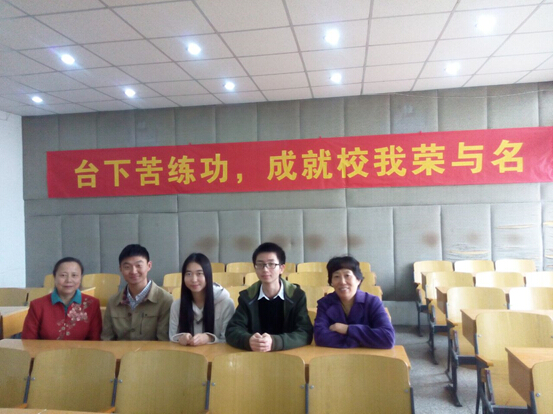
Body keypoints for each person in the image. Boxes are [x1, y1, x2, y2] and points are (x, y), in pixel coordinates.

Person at [225, 242, 313, 351]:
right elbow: (232, 330)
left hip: (289, 354)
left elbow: (305, 333)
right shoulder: (247, 297)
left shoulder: (296, 296)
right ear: (255, 268)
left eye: (271, 264)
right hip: (255, 355)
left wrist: (275, 342)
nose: (265, 269)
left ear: (281, 268)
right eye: (260, 264)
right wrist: (248, 340)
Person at [313, 255, 395, 348]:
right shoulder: (325, 303)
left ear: (358, 279)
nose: (342, 282)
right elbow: (320, 337)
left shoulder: (372, 302)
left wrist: (347, 329)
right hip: (334, 356)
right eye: (336, 276)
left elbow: (387, 338)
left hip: (366, 356)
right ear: (331, 282)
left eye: (347, 276)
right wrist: (361, 340)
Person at [101, 244, 173, 341]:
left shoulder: (165, 300)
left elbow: (164, 340)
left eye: (138, 265)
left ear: (149, 266)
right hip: (120, 351)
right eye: (127, 267)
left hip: (153, 351)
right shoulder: (113, 302)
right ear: (120, 269)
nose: (133, 271)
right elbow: (106, 339)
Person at [22, 257, 101, 340]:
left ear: (80, 278)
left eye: (74, 275)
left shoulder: (92, 304)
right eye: (63, 275)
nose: (69, 280)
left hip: (82, 349)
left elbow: (95, 340)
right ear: (54, 277)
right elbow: (28, 341)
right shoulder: (38, 305)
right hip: (45, 349)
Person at [169, 253, 234, 345]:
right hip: (185, 353)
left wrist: (209, 338)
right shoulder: (177, 306)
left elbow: (228, 341)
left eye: (199, 273)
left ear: (208, 275)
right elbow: (171, 339)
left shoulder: (226, 304)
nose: (194, 279)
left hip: (216, 354)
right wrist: (180, 339)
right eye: (188, 274)